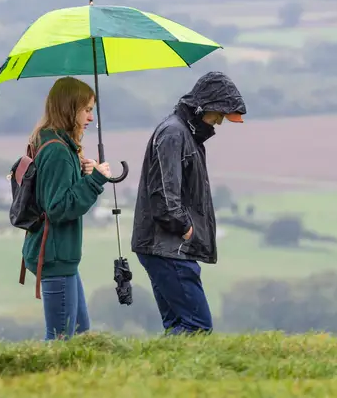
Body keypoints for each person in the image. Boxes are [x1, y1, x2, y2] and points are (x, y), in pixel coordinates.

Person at [131, 71, 247, 335]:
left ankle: (164, 374)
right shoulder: (174, 134)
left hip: (164, 245)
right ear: (202, 106)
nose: (220, 121)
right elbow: (163, 192)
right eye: (219, 113)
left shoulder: (184, 133)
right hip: (168, 246)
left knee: (178, 325)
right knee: (196, 326)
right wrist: (184, 227)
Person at [22, 76, 111, 341]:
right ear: (68, 109)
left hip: (60, 255)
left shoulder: (56, 144)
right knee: (61, 341)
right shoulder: (58, 152)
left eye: (92, 110)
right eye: (86, 110)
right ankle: (53, 382)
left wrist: (84, 173)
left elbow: (60, 193)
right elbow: (59, 208)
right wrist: (96, 180)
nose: (91, 118)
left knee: (81, 335)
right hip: (55, 256)